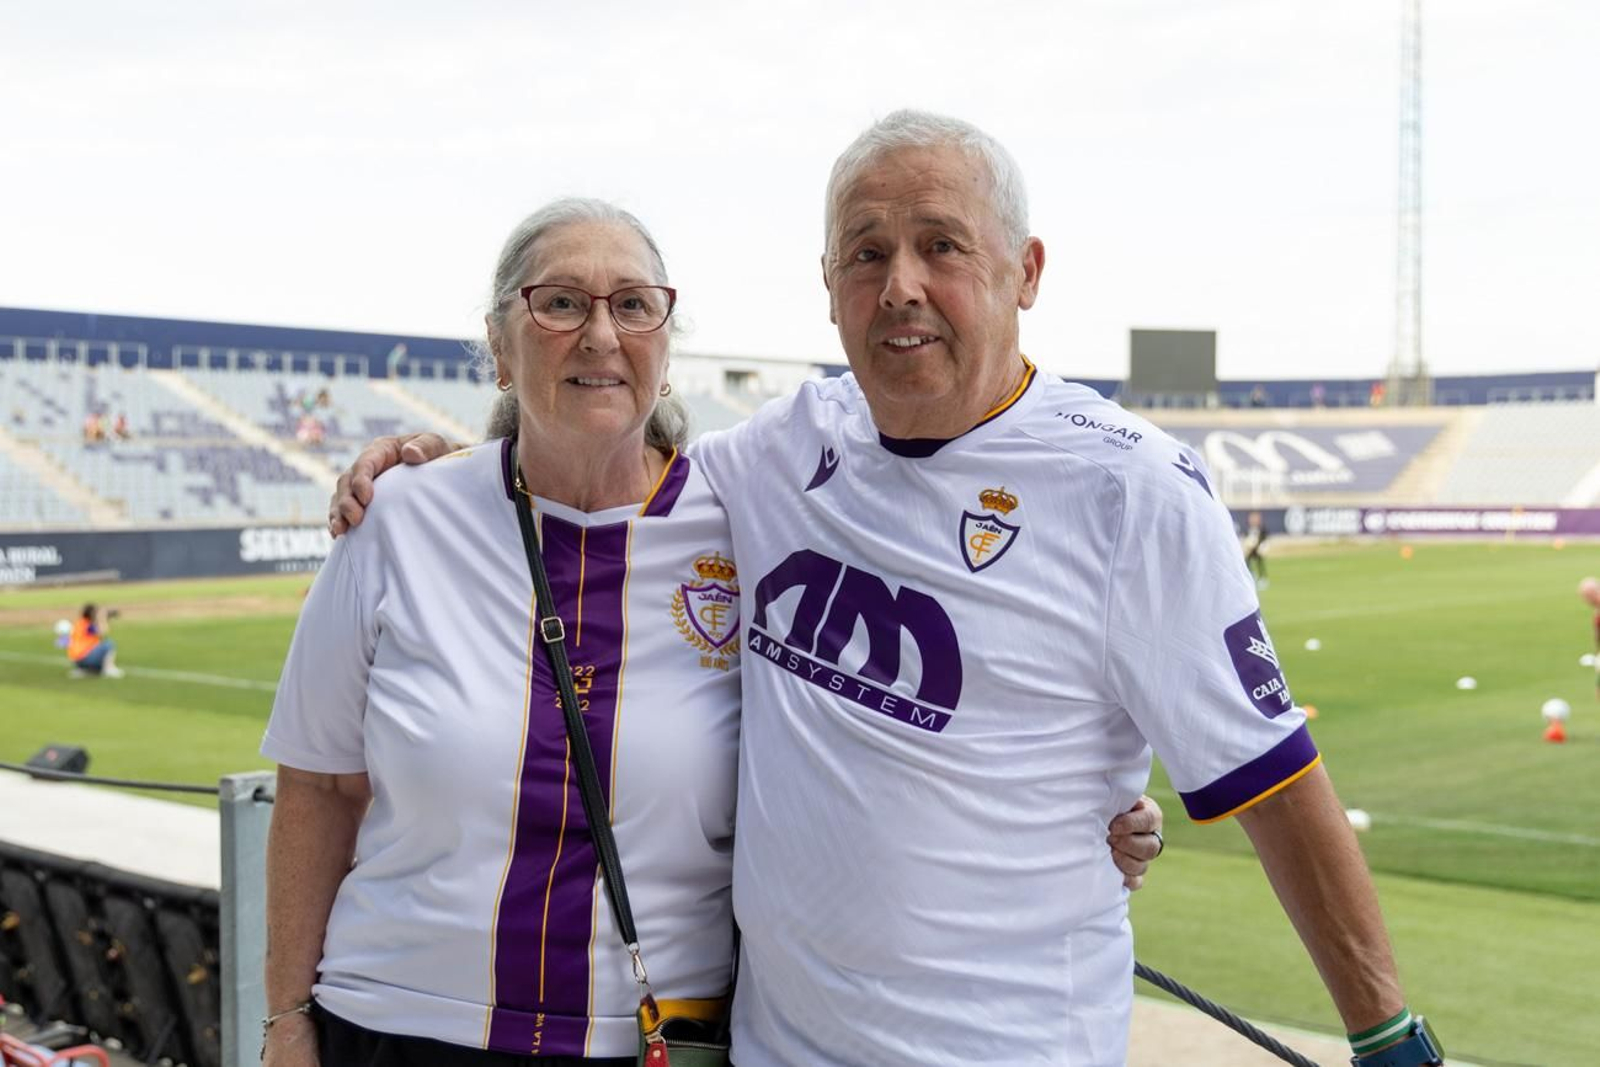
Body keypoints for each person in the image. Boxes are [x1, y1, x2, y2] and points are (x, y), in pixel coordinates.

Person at [332, 111, 1436, 1067]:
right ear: (828, 289)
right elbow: (606, 466)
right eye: (865, 253)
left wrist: (1382, 1031)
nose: (899, 284)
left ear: (1026, 271)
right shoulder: (781, 448)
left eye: (940, 245)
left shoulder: (1129, 490)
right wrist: (465, 470)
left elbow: (1274, 777)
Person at [268, 198, 1163, 1067]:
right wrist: (284, 1020)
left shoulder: (750, 513)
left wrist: (1081, 812)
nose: (601, 334)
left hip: (658, 1038)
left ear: (666, 341)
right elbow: (316, 785)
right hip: (396, 1027)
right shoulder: (396, 519)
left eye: (633, 304)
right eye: (560, 302)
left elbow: (918, 683)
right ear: (500, 344)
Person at [65, 603, 122, 678]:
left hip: (77, 660)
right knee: (109, 644)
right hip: (84, 658)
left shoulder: (80, 623)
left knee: (99, 649)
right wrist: (102, 618)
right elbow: (103, 631)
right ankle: (109, 669)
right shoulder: (88, 626)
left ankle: (84, 670)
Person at [1243, 509, 1270, 589]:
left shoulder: (1262, 528)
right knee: (1247, 561)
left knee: (1259, 562)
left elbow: (1264, 539)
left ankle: (1263, 578)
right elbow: (1247, 539)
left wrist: (1260, 546)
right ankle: (1251, 575)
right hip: (1251, 550)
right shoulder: (1248, 528)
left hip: (1258, 550)